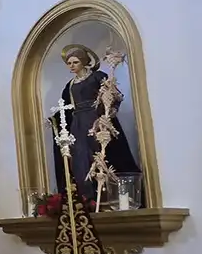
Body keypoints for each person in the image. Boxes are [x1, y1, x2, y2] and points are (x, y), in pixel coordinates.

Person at [48, 44, 140, 200]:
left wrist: (111, 109)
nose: (71, 66)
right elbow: (65, 107)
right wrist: (54, 120)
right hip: (78, 125)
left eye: (75, 62)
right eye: (69, 63)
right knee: (80, 158)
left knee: (103, 154)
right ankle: (88, 197)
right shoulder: (70, 85)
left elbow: (113, 94)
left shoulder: (97, 76)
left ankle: (109, 195)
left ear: (84, 61)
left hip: (96, 120)